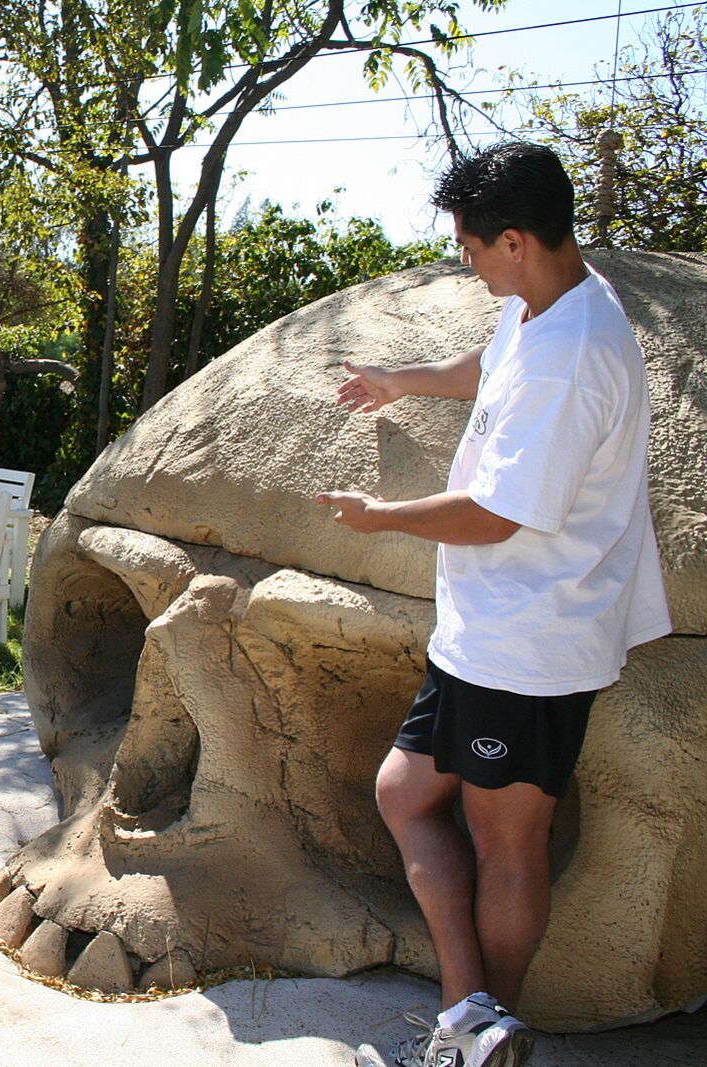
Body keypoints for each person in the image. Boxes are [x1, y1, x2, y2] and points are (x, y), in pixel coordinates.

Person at [317, 143, 671, 1067]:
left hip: (531, 642)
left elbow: (499, 514)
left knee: (505, 839)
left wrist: (378, 517)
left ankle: (475, 1035)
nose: (465, 263)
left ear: (514, 239)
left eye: (470, 247)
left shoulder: (575, 357)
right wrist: (404, 380)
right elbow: (492, 360)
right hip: (484, 637)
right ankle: (477, 1022)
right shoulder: (551, 302)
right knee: (405, 792)